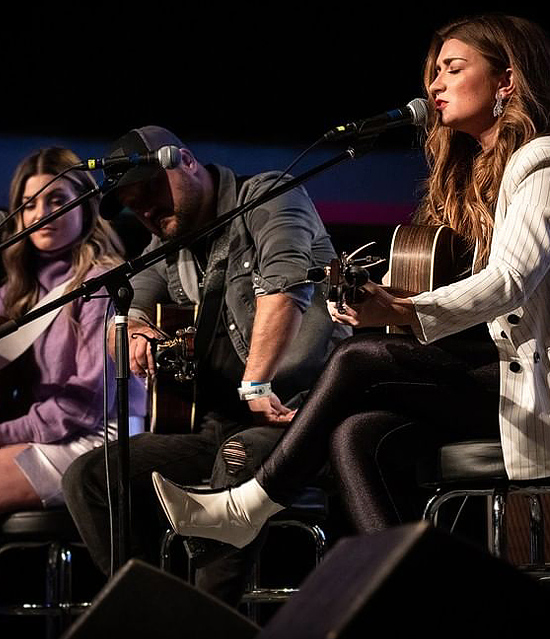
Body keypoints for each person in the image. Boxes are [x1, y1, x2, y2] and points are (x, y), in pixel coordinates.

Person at [151, 13, 550, 549]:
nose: (434, 85)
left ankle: (248, 506)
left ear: (508, 80)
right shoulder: (472, 177)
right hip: (500, 378)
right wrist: (377, 297)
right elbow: (452, 285)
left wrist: (404, 312)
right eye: (433, 73)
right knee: (355, 435)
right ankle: (406, 597)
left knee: (360, 359)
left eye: (452, 69)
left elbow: (510, 282)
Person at [61, 126, 349, 603]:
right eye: (136, 204)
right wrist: (132, 333)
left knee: (234, 462)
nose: (148, 210)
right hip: (216, 427)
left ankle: (206, 624)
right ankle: (152, 615)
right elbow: (127, 311)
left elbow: (286, 285)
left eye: (151, 190)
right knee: (91, 476)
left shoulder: (271, 196)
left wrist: (256, 384)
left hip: (298, 417)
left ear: (186, 162)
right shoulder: (165, 244)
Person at [0, 147, 147, 513]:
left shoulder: (101, 282)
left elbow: (84, 407)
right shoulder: (17, 291)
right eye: (29, 203)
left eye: (57, 200)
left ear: (85, 206)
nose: (41, 214)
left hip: (100, 439)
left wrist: (4, 435)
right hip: (48, 430)